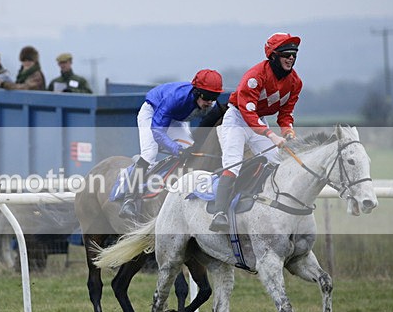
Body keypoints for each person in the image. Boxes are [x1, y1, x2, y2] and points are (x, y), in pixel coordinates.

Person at [209, 32, 303, 232]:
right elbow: (248, 114)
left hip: (258, 120)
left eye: (294, 54)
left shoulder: (296, 82)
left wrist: (288, 133)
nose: (291, 58)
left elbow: (285, 115)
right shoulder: (254, 77)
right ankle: (219, 213)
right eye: (287, 54)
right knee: (233, 164)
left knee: (278, 160)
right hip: (237, 118)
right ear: (273, 55)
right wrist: (271, 134)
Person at [118, 69, 224, 220]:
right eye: (207, 97)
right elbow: (157, 131)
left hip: (177, 118)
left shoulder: (209, 103)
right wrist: (176, 150)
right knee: (150, 153)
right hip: (153, 113)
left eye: (215, 97)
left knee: (189, 150)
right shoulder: (175, 98)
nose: (210, 102)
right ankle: (129, 200)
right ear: (197, 92)